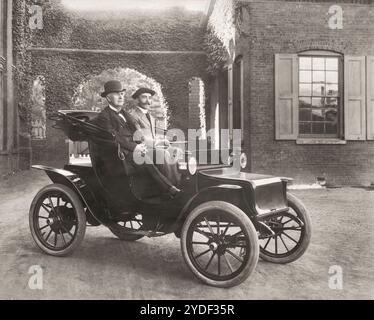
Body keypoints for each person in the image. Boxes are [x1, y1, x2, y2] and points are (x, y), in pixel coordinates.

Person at [93, 81, 181, 202]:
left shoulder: (125, 114)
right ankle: (168, 189)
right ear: (108, 97)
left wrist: (143, 144)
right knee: (147, 157)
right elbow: (113, 137)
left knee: (161, 153)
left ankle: (174, 184)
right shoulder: (104, 116)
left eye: (122, 94)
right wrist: (135, 147)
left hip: (134, 149)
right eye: (116, 94)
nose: (120, 97)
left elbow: (137, 132)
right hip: (120, 154)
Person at [129, 87, 182, 186]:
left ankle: (177, 182)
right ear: (137, 99)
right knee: (163, 153)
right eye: (144, 97)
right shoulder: (133, 116)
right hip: (141, 149)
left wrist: (162, 140)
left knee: (176, 150)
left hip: (152, 146)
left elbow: (152, 135)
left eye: (149, 97)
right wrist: (157, 143)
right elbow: (139, 137)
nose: (147, 100)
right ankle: (168, 186)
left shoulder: (151, 117)